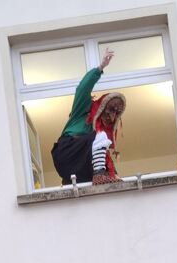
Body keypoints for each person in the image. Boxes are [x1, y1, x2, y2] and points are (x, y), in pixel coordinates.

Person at [52, 48, 126, 186]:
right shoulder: (83, 110)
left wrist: (115, 180)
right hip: (67, 151)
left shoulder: (98, 141)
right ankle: (99, 175)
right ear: (103, 105)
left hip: (78, 166)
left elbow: (106, 159)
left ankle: (93, 178)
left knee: (101, 146)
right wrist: (100, 68)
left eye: (117, 113)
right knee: (100, 137)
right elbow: (82, 89)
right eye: (111, 109)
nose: (112, 115)